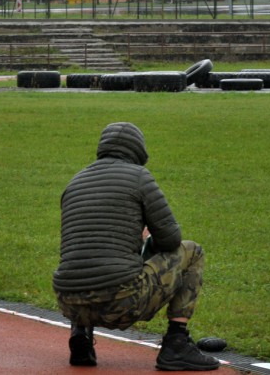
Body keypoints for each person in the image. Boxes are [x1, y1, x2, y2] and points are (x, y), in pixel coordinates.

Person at [52, 122, 219, 371]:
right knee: (192, 252)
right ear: (139, 152)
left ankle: (81, 336)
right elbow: (171, 240)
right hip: (121, 301)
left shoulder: (74, 182)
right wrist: (144, 240)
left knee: (87, 257)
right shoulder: (139, 176)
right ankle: (177, 343)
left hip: (69, 303)